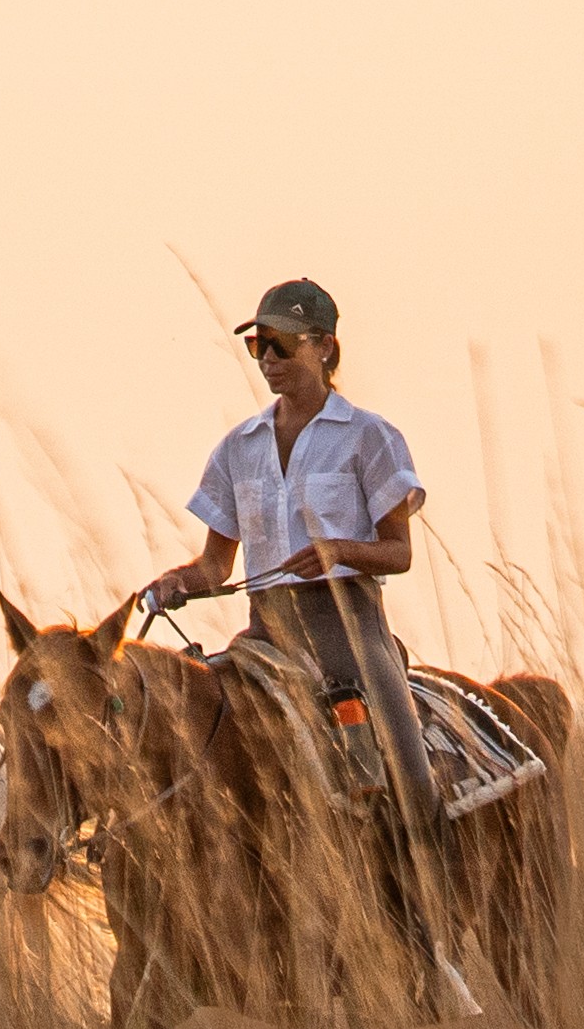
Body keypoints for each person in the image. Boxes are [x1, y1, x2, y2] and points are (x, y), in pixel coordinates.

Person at [144, 278, 438, 816]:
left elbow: (400, 554)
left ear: (324, 347)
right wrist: (176, 583)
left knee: (412, 781)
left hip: (350, 633)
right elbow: (214, 565)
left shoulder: (370, 436)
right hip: (265, 634)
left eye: (284, 343)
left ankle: (428, 882)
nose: (269, 358)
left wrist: (338, 551)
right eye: (259, 345)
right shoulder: (238, 447)